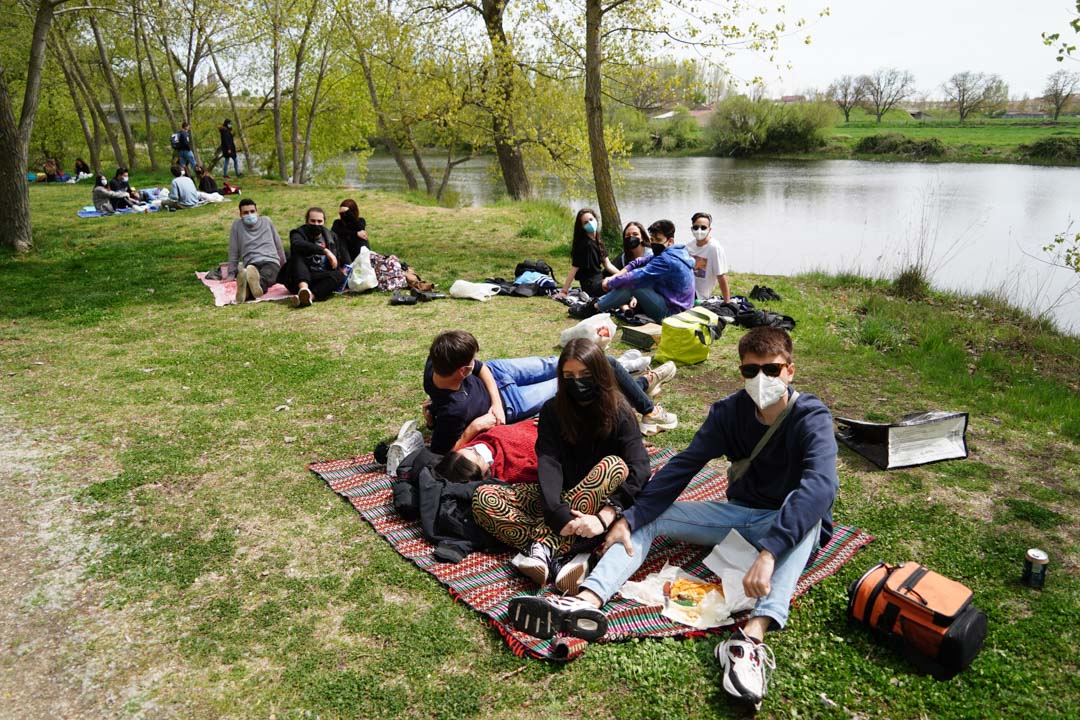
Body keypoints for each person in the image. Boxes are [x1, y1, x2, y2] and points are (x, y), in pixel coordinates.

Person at [508, 327, 839, 711]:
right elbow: (683, 466)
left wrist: (770, 553)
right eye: (751, 371)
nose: (761, 380)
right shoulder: (729, 412)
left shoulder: (810, 416)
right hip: (739, 515)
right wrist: (628, 518)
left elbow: (820, 486)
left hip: (785, 527)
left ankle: (750, 639)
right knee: (650, 514)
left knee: (809, 518)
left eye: (772, 370)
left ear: (790, 371)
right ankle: (587, 599)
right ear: (741, 372)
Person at [471, 339, 652, 592]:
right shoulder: (553, 411)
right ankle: (567, 553)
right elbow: (548, 460)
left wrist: (606, 515)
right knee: (485, 497)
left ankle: (543, 549)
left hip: (601, 503)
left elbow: (640, 467)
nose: (577, 381)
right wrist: (555, 510)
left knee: (614, 465)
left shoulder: (619, 412)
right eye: (569, 376)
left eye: (585, 375)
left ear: (599, 374)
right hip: (561, 500)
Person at [423, 331, 677, 456]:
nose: (474, 362)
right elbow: (441, 455)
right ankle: (648, 402)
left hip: (501, 376)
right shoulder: (452, 412)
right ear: (461, 371)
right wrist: (474, 427)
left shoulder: (436, 363)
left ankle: (643, 387)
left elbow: (483, 367)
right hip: (515, 402)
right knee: (590, 374)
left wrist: (495, 404)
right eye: (470, 363)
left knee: (579, 362)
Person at [570, 219, 694, 322]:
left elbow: (635, 276)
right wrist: (620, 273)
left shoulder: (667, 260)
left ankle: (593, 308)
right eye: (652, 240)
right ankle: (596, 305)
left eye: (658, 240)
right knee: (632, 282)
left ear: (670, 241)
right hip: (678, 306)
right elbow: (641, 261)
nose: (654, 243)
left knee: (633, 284)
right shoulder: (677, 252)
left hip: (673, 314)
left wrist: (610, 282)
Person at [279, 206, 351, 308]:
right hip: (298, 277)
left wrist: (342, 269)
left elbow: (337, 260)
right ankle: (303, 289)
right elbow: (297, 244)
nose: (316, 224)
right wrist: (325, 251)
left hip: (319, 276)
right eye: (312, 221)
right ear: (307, 221)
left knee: (340, 276)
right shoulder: (297, 233)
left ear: (324, 222)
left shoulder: (332, 237)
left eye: (319, 221)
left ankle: (308, 297)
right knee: (297, 256)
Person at [436, 420, 540, 486]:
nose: (476, 447)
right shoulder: (514, 473)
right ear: (483, 476)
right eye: (478, 455)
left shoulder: (481, 440)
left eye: (470, 448)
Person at [229, 198, 286, 304]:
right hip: (251, 264)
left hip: (270, 261)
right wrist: (231, 274)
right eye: (246, 213)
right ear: (240, 215)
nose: (250, 214)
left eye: (252, 211)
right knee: (252, 273)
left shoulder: (267, 221)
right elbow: (233, 251)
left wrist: (285, 267)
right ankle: (250, 287)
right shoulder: (237, 225)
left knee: (267, 274)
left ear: (257, 212)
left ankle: (249, 290)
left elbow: (278, 245)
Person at [555, 208, 619, 299]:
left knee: (621, 260)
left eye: (591, 219)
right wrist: (564, 291)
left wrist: (624, 274)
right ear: (582, 226)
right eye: (585, 222)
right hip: (591, 286)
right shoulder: (584, 245)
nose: (590, 223)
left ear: (595, 219)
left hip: (600, 277)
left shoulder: (598, 240)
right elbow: (574, 269)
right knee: (619, 284)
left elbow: (608, 265)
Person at [684, 212, 730, 302]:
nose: (699, 230)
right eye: (696, 227)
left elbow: (721, 277)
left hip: (700, 296)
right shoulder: (689, 247)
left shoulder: (715, 248)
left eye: (703, 227)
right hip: (686, 290)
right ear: (691, 229)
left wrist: (727, 303)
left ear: (709, 229)